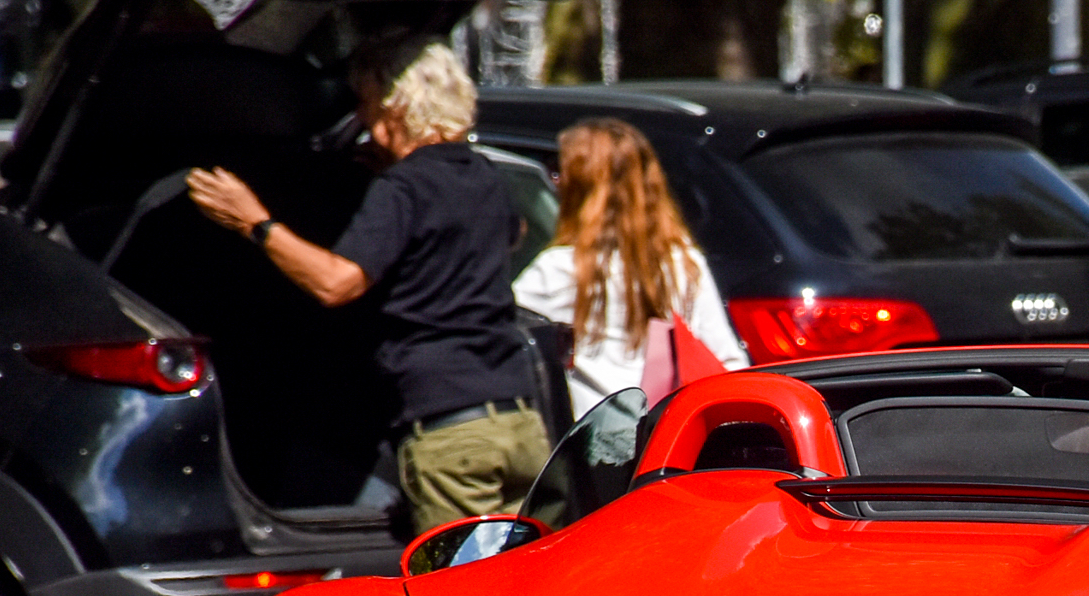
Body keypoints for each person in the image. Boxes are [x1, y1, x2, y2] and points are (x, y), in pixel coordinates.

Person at [185, 34, 546, 533]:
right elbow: (514, 233)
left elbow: (337, 284)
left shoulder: (402, 188)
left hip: (451, 433)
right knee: (518, 588)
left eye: (365, 100)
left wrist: (255, 223)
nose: (362, 117)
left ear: (392, 104)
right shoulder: (484, 176)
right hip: (521, 424)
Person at [512, 118, 748, 417]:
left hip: (590, 436)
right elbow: (729, 362)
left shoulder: (560, 268)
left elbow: (504, 336)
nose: (554, 181)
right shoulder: (682, 263)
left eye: (559, 172)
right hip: (665, 437)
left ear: (580, 187)